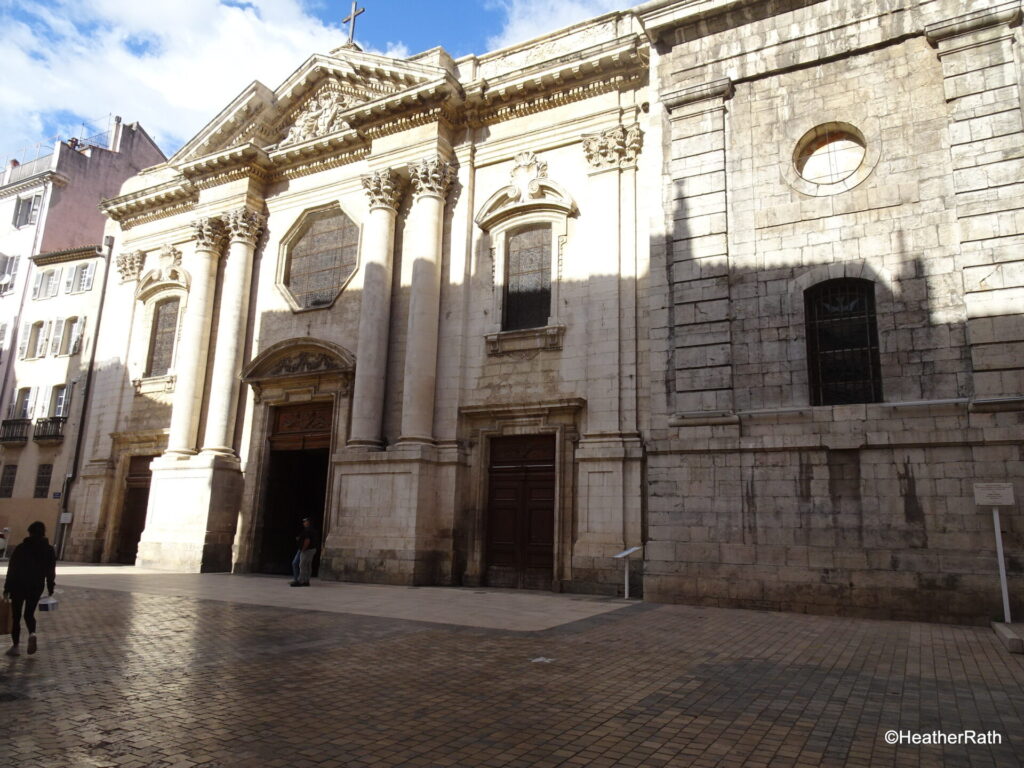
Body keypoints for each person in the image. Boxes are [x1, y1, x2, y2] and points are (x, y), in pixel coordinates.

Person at [3, 521, 56, 656]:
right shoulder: (49, 550)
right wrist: (50, 587)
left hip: (18, 585)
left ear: (30, 532)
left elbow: (12, 569)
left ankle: (15, 646)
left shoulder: (21, 548)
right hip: (36, 585)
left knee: (16, 616)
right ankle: (32, 633)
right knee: (29, 614)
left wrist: (7, 588)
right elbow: (51, 571)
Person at [290, 517, 319, 587]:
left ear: (308, 522)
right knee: (308, 565)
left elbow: (307, 540)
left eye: (305, 521)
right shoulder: (313, 530)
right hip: (312, 549)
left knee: (302, 565)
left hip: (307, 550)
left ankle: (300, 581)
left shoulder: (307, 530)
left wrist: (303, 549)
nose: (304, 523)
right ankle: (306, 581)